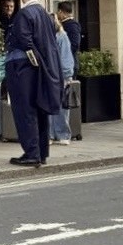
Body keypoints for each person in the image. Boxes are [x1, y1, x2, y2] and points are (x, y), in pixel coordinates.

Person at [4, 0, 62, 167]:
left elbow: (25, 42)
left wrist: (34, 62)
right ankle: (42, 152)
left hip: (23, 68)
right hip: (42, 69)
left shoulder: (24, 14)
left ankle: (31, 153)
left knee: (24, 110)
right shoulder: (45, 14)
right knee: (40, 109)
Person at [49, 14, 75, 146]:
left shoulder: (61, 37)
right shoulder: (48, 37)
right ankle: (51, 134)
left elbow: (66, 58)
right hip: (50, 75)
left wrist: (67, 76)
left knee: (61, 106)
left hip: (59, 75)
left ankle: (62, 134)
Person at [57, 1, 82, 77]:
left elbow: (75, 44)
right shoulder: (65, 24)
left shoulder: (72, 25)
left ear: (61, 11)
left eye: (57, 11)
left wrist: (64, 52)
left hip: (69, 65)